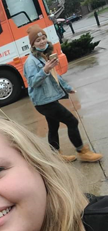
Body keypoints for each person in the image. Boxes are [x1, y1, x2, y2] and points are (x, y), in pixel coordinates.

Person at [24, 24, 102, 163]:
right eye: (38, 40)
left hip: (48, 99)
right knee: (72, 121)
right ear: (33, 44)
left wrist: (66, 87)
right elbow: (32, 83)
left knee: (53, 125)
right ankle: (82, 152)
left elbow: (55, 76)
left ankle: (56, 156)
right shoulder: (31, 62)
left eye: (43, 38)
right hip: (43, 102)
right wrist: (45, 70)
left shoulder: (44, 56)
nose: (42, 41)